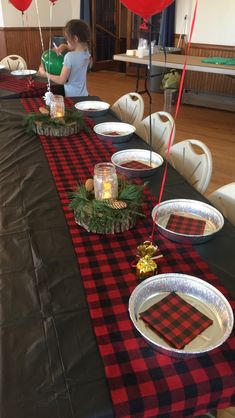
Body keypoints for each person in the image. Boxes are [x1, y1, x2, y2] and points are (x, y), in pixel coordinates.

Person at [38, 19, 91, 97]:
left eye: (68, 40)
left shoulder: (69, 57)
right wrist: (63, 46)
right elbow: (76, 48)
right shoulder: (87, 53)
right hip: (84, 95)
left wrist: (45, 74)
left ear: (75, 39)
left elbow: (61, 80)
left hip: (72, 97)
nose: (67, 42)